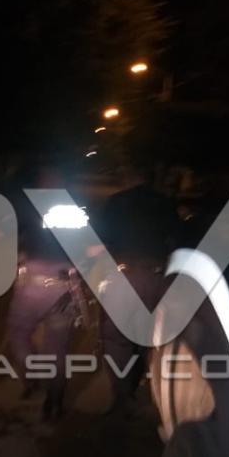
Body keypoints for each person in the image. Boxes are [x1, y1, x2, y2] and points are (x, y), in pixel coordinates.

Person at [90, 166, 181, 416]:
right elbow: (177, 240)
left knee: (115, 338)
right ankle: (144, 386)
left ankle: (122, 395)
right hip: (155, 275)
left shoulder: (115, 203)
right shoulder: (165, 203)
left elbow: (98, 241)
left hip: (123, 274)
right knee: (149, 335)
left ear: (128, 179)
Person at [4, 160, 80, 420]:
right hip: (64, 284)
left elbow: (10, 237)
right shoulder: (76, 207)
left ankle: (32, 376)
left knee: (18, 333)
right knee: (57, 347)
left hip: (32, 284)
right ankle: (54, 402)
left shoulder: (27, 205)